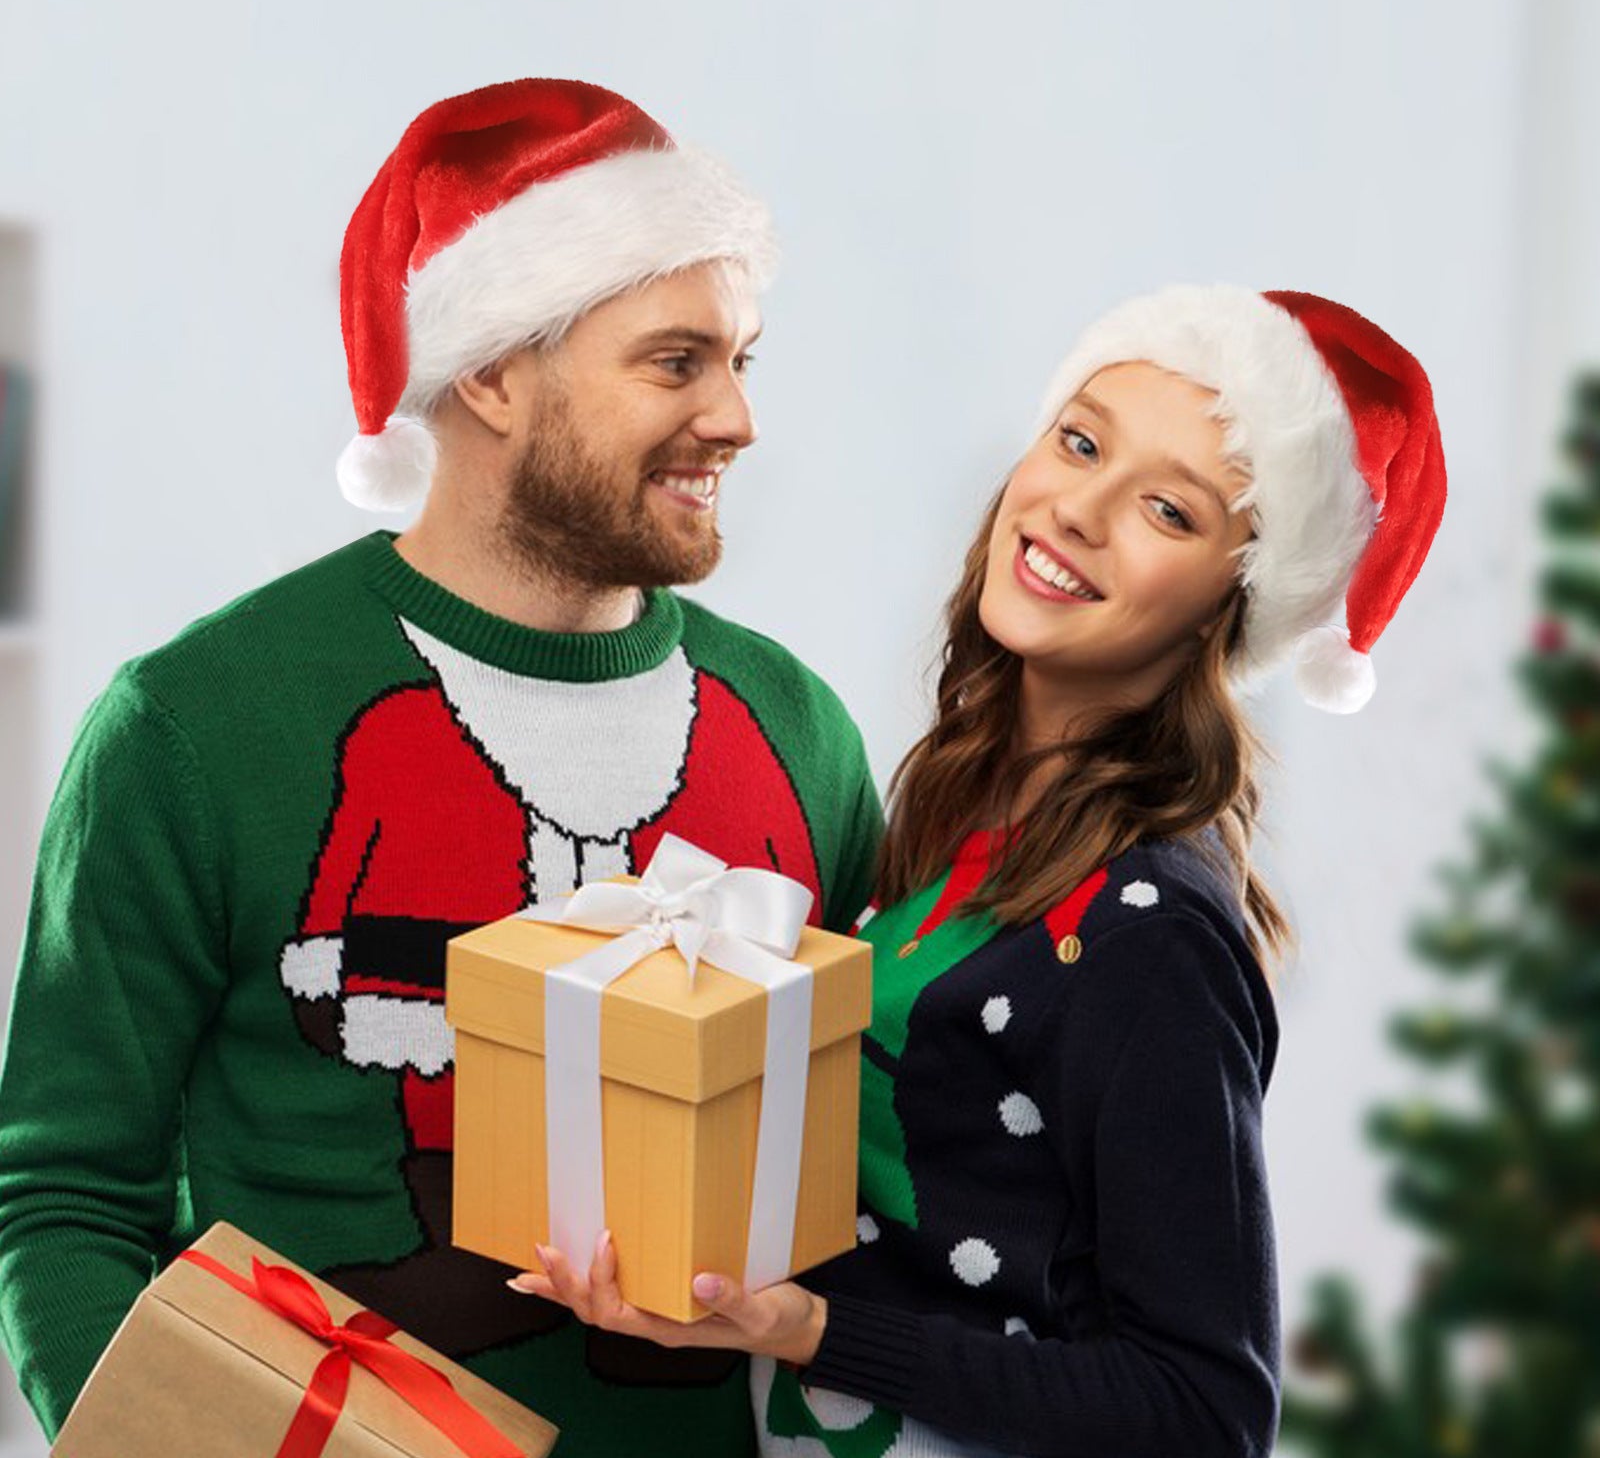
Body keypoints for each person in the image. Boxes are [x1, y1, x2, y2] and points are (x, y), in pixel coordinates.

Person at [0, 79, 883, 1457]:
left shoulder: (799, 734)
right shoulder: (194, 724)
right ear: (491, 372)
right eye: (674, 362)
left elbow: (865, 1172)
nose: (735, 419)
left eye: (742, 361)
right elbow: (63, 1194)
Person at [513, 284, 1449, 1458]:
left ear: (1233, 596)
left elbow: (1207, 1411)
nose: (1080, 509)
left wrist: (813, 1330)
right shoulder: (965, 804)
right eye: (1079, 440)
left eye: (1167, 509)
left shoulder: (1145, 925)